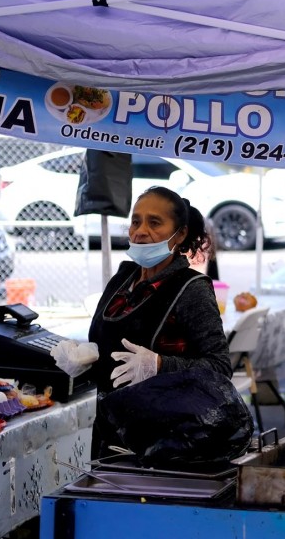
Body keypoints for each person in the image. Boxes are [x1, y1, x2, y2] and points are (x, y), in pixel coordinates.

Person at [82, 186, 232, 457]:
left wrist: (160, 365)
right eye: (136, 221)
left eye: (154, 223)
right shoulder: (122, 280)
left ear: (181, 233)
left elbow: (220, 368)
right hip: (111, 434)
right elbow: (111, 355)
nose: (140, 230)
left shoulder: (191, 289)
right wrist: (85, 361)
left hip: (168, 442)